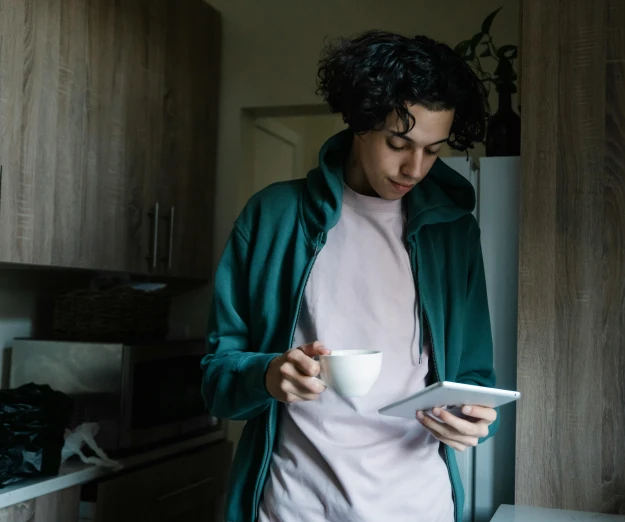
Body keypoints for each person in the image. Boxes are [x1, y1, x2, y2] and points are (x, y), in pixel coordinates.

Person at [202, 30, 498, 522]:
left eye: (433, 150)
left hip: (417, 506)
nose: (414, 167)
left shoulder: (453, 232)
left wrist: (471, 421)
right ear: (360, 122)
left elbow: (472, 377)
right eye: (399, 143)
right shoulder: (274, 216)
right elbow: (217, 377)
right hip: (293, 507)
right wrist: (269, 375)